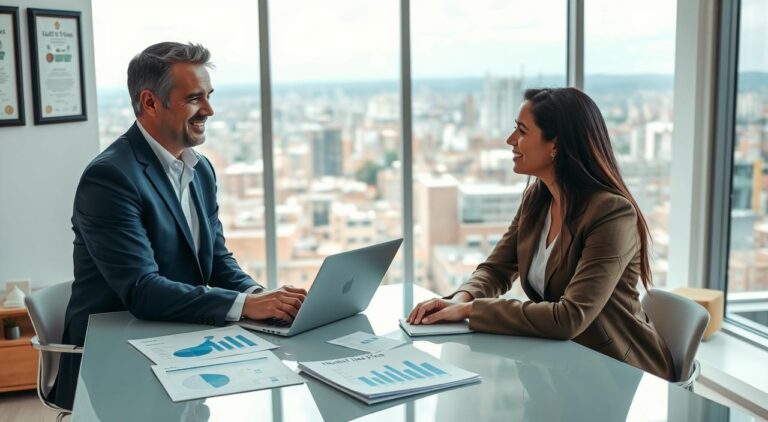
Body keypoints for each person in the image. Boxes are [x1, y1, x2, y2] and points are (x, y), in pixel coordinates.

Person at [51, 42, 307, 409]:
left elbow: (217, 262)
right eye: (194, 99)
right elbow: (142, 290)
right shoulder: (109, 178)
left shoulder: (200, 170)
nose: (209, 110)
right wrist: (247, 305)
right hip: (115, 360)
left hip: (180, 342)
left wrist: (265, 299)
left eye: (209, 96)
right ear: (151, 102)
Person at [407, 87, 676, 382]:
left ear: (555, 146)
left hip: (620, 375)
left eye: (522, 131)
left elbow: (569, 318)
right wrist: (459, 300)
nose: (511, 141)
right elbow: (496, 269)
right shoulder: (537, 200)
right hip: (563, 367)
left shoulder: (611, 214)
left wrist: (471, 310)